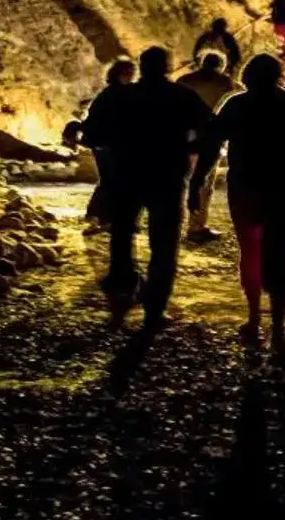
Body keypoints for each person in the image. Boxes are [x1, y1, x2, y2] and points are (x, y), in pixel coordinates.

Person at [192, 53, 285, 355]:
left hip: (245, 187)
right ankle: (278, 328)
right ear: (278, 74)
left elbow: (212, 144)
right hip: (284, 185)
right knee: (281, 255)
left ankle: (254, 317)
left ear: (247, 76)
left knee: (250, 251)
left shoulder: (236, 103)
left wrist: (197, 182)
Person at [83, 47, 214, 330]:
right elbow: (211, 132)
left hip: (126, 174)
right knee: (164, 243)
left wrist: (117, 144)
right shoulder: (182, 96)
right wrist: (193, 158)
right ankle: (156, 307)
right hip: (167, 176)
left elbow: (90, 134)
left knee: (121, 233)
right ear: (168, 67)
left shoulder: (116, 96)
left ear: (141, 66)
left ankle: (122, 287)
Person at [176, 51, 241, 243]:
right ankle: (196, 226)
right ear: (221, 65)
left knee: (180, 181)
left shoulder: (183, 80)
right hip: (209, 141)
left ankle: (175, 223)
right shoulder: (228, 84)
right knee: (203, 184)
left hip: (182, 139)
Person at [79, 59, 136, 228]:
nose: (130, 75)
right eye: (127, 72)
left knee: (109, 181)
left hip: (104, 145)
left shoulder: (106, 94)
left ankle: (100, 217)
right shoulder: (123, 94)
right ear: (118, 74)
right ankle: (101, 217)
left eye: (131, 72)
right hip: (112, 145)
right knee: (114, 181)